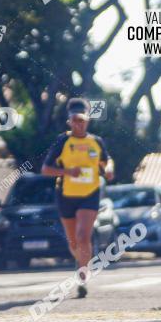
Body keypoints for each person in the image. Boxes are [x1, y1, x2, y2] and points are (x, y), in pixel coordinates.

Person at [41, 98, 114, 299]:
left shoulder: (96, 142)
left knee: (83, 237)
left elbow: (107, 162)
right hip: (66, 195)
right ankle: (80, 262)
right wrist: (66, 171)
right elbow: (46, 169)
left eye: (81, 120)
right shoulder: (63, 141)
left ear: (88, 121)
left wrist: (108, 170)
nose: (78, 124)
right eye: (74, 120)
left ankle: (83, 277)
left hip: (90, 194)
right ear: (69, 121)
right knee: (73, 242)